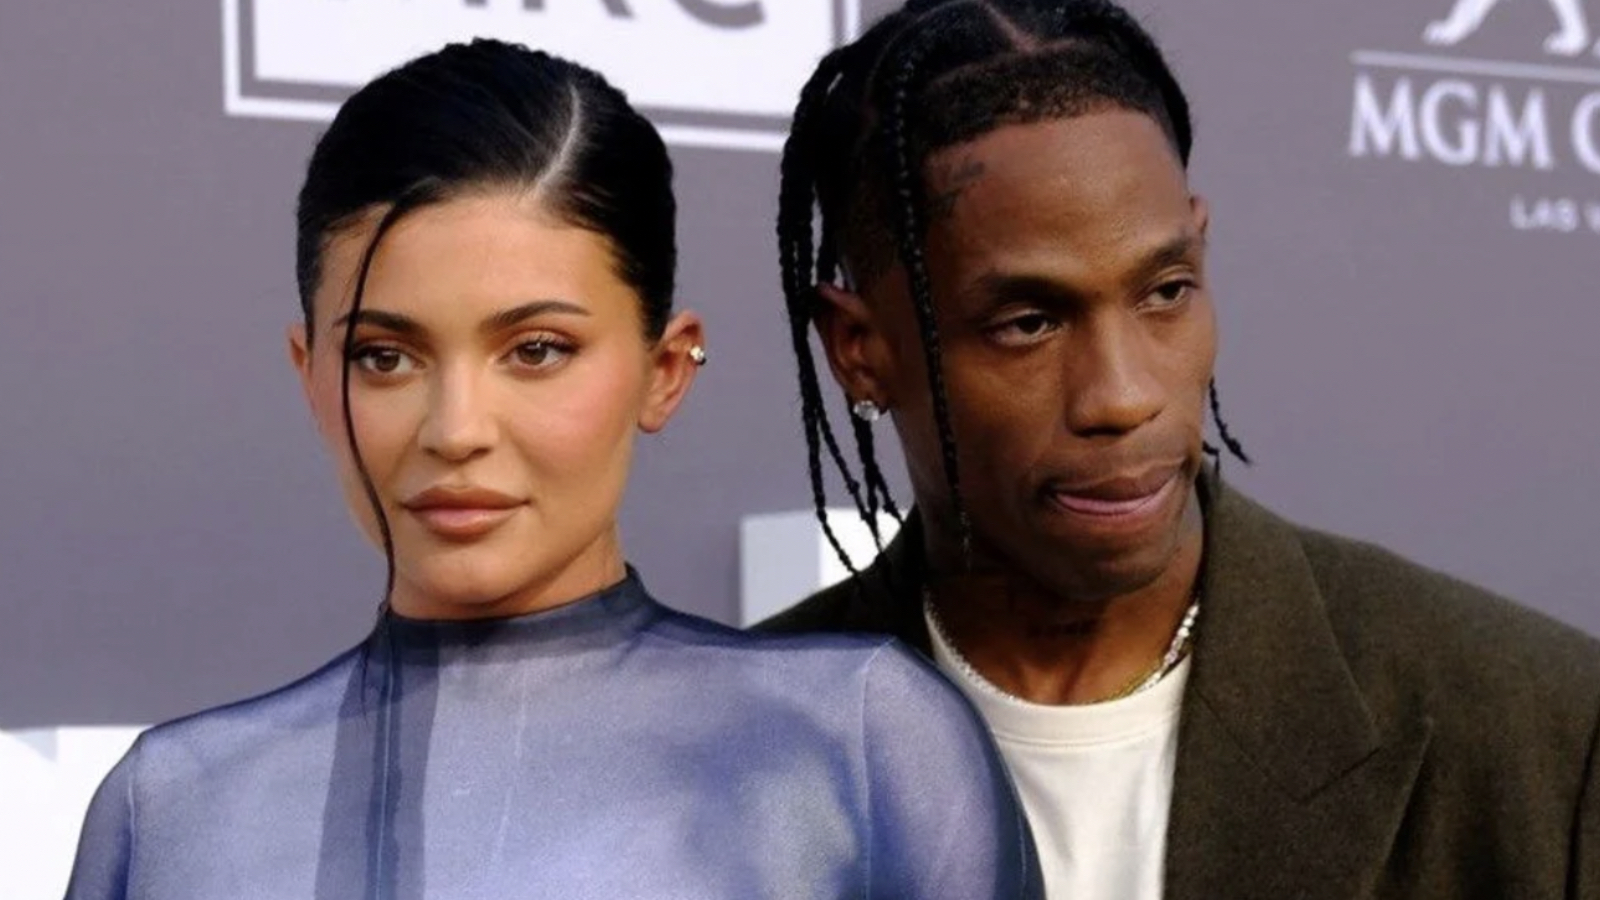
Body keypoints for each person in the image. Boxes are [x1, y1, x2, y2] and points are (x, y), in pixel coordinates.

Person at [64, 39, 1040, 900]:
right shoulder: (173, 808)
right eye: (384, 357)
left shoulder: (861, 743)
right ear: (310, 375)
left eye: (535, 350)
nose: (456, 430)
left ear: (665, 370)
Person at [758, 1, 1600, 898]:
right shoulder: (745, 748)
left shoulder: (1538, 730)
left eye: (1165, 291)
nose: (1124, 396)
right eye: (1029, 322)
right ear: (861, 350)